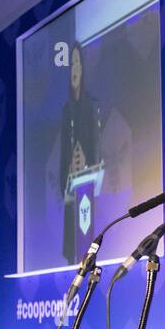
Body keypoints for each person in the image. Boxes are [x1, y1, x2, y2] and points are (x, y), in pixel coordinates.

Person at [59, 40, 101, 264]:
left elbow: (97, 149)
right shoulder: (66, 110)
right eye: (70, 65)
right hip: (70, 192)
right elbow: (63, 155)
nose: (74, 69)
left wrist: (87, 164)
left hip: (88, 188)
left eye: (77, 63)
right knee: (71, 251)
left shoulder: (91, 105)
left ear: (83, 68)